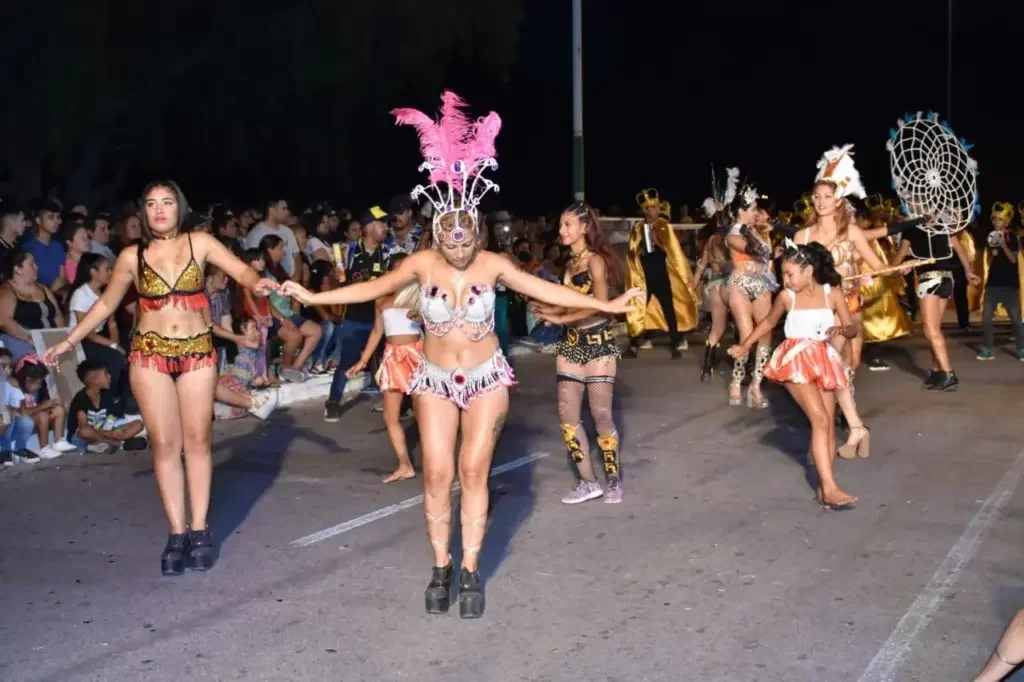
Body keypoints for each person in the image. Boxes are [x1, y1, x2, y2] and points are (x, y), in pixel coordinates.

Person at [281, 91, 639, 618]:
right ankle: (441, 565)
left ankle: (470, 567)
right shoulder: (422, 263)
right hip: (433, 379)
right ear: (437, 233)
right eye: (449, 238)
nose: (458, 244)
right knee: (435, 473)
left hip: (485, 377)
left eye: (466, 235)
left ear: (476, 229)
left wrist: (605, 304)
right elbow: (372, 288)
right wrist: (312, 297)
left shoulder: (494, 264)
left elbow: (549, 291)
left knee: (473, 471)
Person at [43, 180, 277, 576]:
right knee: (165, 446)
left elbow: (240, 270)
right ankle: (176, 533)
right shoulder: (131, 255)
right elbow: (106, 303)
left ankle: (199, 530)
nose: (159, 209)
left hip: (196, 352)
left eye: (167, 202)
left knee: (198, 441)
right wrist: (68, 341)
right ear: (144, 212)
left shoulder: (200, 243)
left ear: (179, 207)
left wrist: (259, 282)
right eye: (151, 204)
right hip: (149, 355)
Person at [729, 241, 857, 509]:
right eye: (783, 274)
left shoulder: (832, 294)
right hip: (795, 360)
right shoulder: (788, 297)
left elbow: (852, 328)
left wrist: (842, 331)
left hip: (823, 359)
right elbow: (768, 322)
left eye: (789, 274)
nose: (785, 280)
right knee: (819, 419)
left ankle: (824, 488)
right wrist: (745, 345)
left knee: (827, 425)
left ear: (808, 271)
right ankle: (831, 488)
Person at [531, 202, 626, 504]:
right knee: (567, 415)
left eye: (567, 224)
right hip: (570, 345)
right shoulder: (569, 265)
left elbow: (599, 305)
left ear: (584, 227)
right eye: (561, 225)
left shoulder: (596, 261)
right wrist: (549, 312)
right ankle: (588, 482)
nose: (562, 230)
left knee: (601, 414)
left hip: (598, 344)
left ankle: (613, 479)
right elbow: (569, 304)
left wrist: (560, 318)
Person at [345, 253, 423, 483]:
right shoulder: (380, 299)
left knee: (424, 414)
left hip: (417, 354)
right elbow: (377, 331)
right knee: (390, 417)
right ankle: (404, 464)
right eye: (397, 269)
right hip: (393, 357)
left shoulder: (419, 295)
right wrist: (362, 361)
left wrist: (422, 317)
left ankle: (437, 459)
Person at [893, 208, 981, 390]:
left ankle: (949, 373)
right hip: (947, 279)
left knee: (930, 329)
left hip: (929, 280)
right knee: (935, 329)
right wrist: (968, 272)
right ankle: (937, 371)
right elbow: (959, 248)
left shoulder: (911, 228)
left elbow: (901, 255)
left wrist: (889, 269)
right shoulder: (943, 225)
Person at [624, 188, 697, 358]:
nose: (657, 210)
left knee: (668, 309)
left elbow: (673, 251)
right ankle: (633, 345)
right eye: (653, 207)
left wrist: (658, 243)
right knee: (638, 307)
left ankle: (675, 345)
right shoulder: (638, 227)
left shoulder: (664, 226)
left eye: (657, 207)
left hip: (661, 275)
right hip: (644, 277)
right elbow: (631, 251)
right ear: (645, 210)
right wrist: (639, 249)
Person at [976, 202, 1024, 360]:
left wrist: (1003, 245)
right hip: (993, 284)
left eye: (1000, 219)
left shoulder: (1012, 236)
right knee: (986, 318)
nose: (996, 222)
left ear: (1006, 222)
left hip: (1009, 285)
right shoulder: (991, 236)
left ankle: (1021, 348)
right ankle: (988, 349)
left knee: (1015, 319)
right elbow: (991, 260)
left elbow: (1013, 260)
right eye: (994, 219)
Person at [67, 360, 147, 454]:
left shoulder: (106, 394)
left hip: (105, 431)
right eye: (106, 374)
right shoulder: (81, 399)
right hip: (83, 437)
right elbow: (83, 427)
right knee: (85, 431)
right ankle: (119, 444)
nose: (110, 376)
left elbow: (111, 417)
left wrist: (115, 432)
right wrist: (106, 434)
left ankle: (111, 443)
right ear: (95, 380)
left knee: (138, 424)